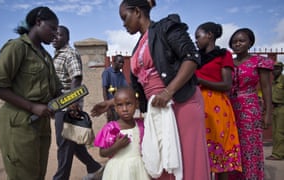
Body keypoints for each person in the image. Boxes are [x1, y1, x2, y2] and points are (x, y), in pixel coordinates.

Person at [91, 0, 211, 179]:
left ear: (137, 12)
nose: (123, 24)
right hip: (157, 110)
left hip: (181, 102)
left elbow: (191, 57)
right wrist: (110, 103)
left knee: (187, 160)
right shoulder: (138, 46)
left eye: (125, 17)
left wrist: (168, 91)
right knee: (161, 161)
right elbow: (135, 89)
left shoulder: (166, 27)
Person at [0, 6, 62, 180]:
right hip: (19, 123)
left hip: (41, 123)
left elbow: (55, 90)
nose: (56, 34)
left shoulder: (46, 56)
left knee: (38, 174)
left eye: (58, 30)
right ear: (38, 22)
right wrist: (32, 106)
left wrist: (66, 103)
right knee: (23, 175)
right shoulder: (17, 47)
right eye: (52, 28)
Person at [52, 25, 103, 180]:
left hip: (67, 106)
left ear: (67, 38)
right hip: (60, 105)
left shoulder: (70, 53)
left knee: (64, 145)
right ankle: (94, 167)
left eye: (59, 35)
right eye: (53, 34)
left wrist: (73, 104)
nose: (55, 37)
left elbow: (76, 78)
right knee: (74, 144)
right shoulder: (57, 54)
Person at [195, 22, 242, 180]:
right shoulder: (195, 57)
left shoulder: (224, 55)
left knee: (220, 155)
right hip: (198, 107)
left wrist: (199, 79)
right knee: (203, 155)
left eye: (198, 36)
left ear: (209, 35)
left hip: (217, 107)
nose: (195, 40)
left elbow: (226, 85)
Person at [228, 28, 273, 179]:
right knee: (232, 146)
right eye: (234, 42)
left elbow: (266, 87)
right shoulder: (228, 63)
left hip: (249, 109)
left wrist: (267, 113)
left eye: (241, 41)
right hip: (230, 109)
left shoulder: (259, 61)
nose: (237, 44)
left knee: (249, 147)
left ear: (250, 43)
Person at [94, 87, 150, 180]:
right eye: (120, 105)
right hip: (118, 171)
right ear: (115, 108)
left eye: (128, 104)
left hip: (139, 169)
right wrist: (116, 146)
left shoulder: (141, 125)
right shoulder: (111, 128)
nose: (124, 109)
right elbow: (102, 153)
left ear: (136, 104)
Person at [266, 61, 284, 160]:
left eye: (277, 68)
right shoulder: (274, 81)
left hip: (282, 108)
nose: (274, 71)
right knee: (275, 132)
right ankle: (279, 153)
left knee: (279, 132)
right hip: (275, 108)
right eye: (273, 69)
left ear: (281, 69)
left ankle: (278, 155)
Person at [102, 54, 128, 122]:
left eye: (123, 62)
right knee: (112, 127)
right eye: (119, 62)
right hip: (111, 107)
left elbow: (126, 88)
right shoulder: (107, 72)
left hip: (119, 106)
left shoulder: (121, 74)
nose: (121, 64)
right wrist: (107, 108)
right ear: (114, 62)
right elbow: (104, 90)